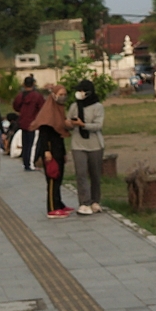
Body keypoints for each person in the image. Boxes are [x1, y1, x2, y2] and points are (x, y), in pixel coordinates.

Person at [30, 85, 72, 218]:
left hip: (58, 148)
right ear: (53, 95)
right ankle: (52, 208)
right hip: (50, 151)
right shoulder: (47, 113)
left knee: (59, 177)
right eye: (60, 94)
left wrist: (64, 152)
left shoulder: (58, 111)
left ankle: (59, 203)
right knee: (53, 179)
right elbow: (44, 135)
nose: (63, 96)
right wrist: (46, 151)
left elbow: (60, 133)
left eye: (65, 94)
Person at [68, 79, 106, 214]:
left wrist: (83, 125)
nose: (79, 93)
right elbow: (69, 122)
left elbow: (98, 125)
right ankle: (84, 202)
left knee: (95, 174)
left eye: (82, 91)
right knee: (81, 173)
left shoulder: (98, 107)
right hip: (78, 144)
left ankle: (95, 201)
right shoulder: (74, 106)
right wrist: (70, 124)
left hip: (95, 144)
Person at [13, 79, 45, 172]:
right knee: (33, 145)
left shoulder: (20, 96)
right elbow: (42, 108)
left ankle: (25, 163)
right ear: (34, 84)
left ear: (23, 84)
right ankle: (30, 164)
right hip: (34, 124)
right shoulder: (37, 96)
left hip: (23, 123)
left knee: (25, 144)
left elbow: (15, 106)